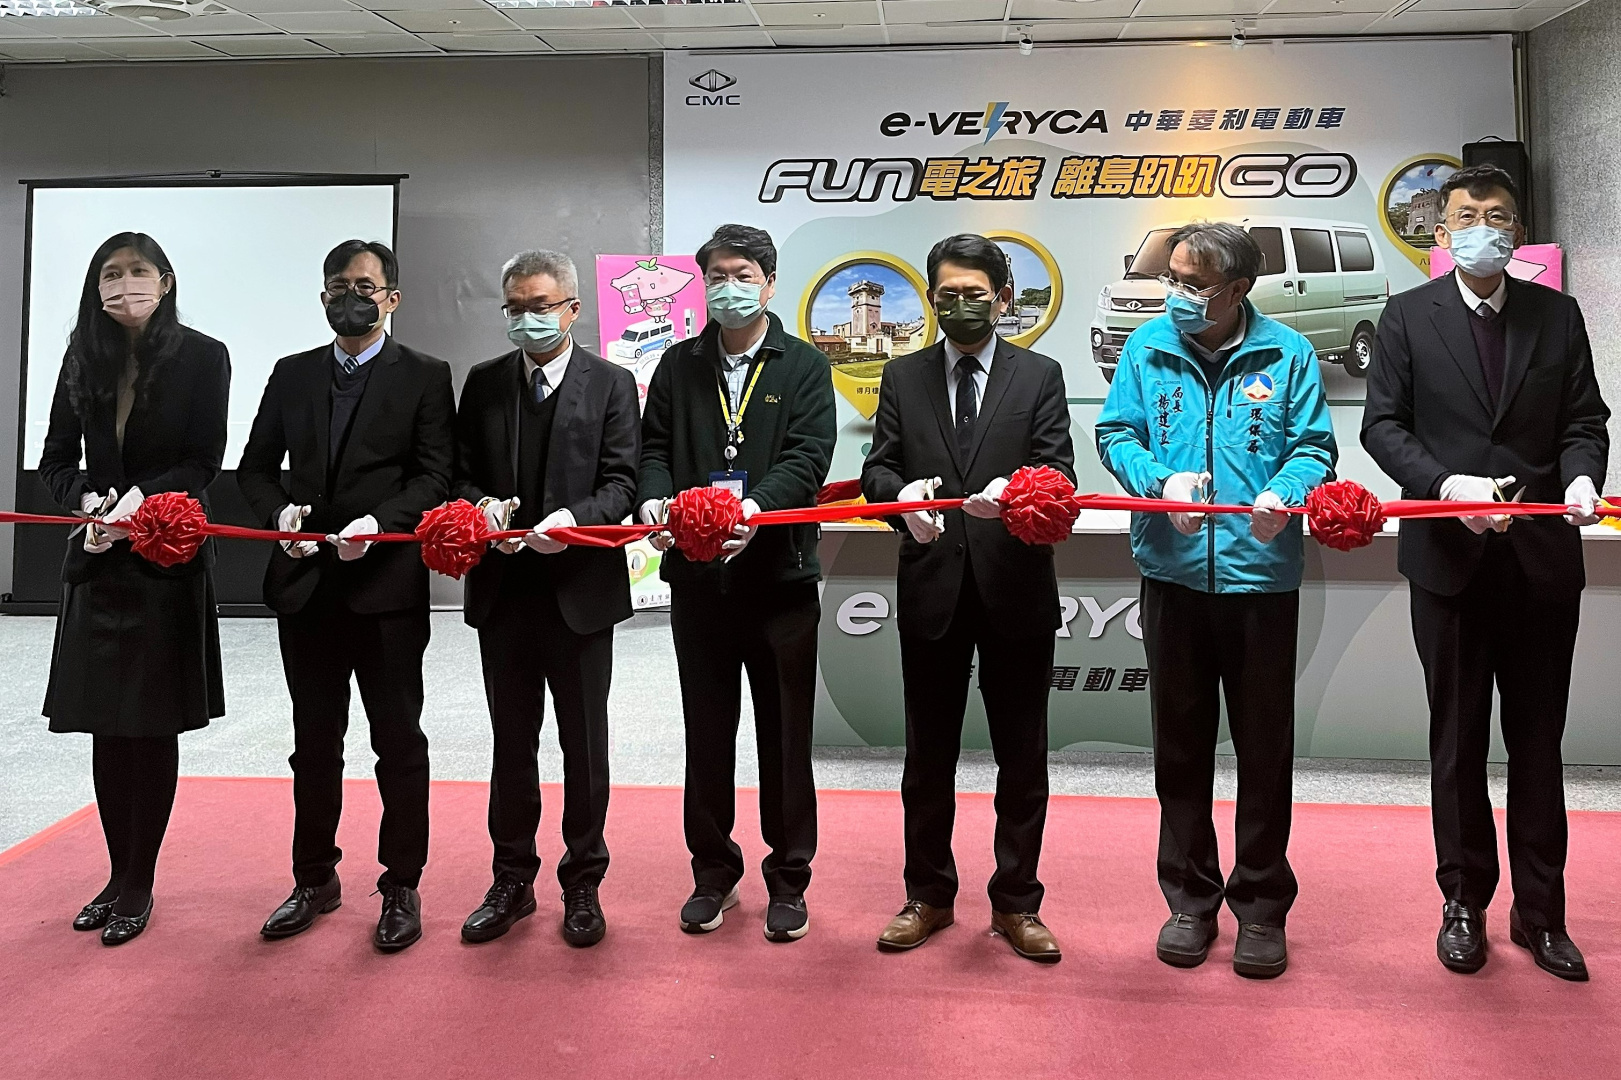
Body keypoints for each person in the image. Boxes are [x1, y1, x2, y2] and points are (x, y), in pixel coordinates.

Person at [1362, 164, 1609, 982]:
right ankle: (1462, 900)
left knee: (1537, 743)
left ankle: (1540, 912)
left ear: (1518, 232)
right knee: (1457, 741)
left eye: (1497, 216)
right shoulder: (1405, 317)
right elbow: (1382, 427)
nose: (1483, 228)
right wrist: (1444, 486)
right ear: (1440, 233)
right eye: (1466, 216)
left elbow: (1583, 420)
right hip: (1448, 562)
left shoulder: (1556, 315)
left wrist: (1582, 478)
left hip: (1540, 563)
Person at [1096, 222, 1337, 978]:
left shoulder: (1287, 353)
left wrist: (1284, 493)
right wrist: (1157, 483)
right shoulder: (1145, 348)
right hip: (1171, 575)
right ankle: (1189, 900)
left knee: (1263, 750)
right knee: (1180, 747)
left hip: (1259, 577)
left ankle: (1261, 906)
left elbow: (1314, 447)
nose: (1176, 294)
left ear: (1238, 290)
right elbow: (1115, 433)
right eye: (1171, 278)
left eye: (1193, 284)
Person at [861, 233, 1074, 963]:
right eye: (946, 294)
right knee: (927, 758)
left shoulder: (1039, 375)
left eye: (974, 294)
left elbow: (1058, 473)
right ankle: (927, 895)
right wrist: (902, 499)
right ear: (930, 299)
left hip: (1015, 587)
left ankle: (1017, 902)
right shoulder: (903, 375)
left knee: (1022, 757)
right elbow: (878, 470)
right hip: (932, 587)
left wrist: (1016, 493)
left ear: (1002, 298)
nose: (960, 305)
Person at [238, 239, 455, 953]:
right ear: (322, 295)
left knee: (397, 742)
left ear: (392, 298)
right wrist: (278, 515)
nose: (349, 297)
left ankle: (401, 884)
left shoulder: (425, 375)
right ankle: (313, 878)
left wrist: (381, 524)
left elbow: (434, 475)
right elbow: (255, 468)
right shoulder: (292, 372)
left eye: (364, 286)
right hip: (306, 585)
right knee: (313, 743)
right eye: (338, 285)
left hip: (385, 586)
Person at [637, 224, 835, 942]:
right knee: (708, 731)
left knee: (784, 736)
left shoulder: (804, 365)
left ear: (769, 283)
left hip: (779, 580)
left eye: (743, 274)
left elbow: (809, 457)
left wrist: (755, 509)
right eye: (717, 275)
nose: (729, 287)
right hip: (699, 584)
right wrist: (654, 500)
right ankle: (713, 872)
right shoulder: (678, 364)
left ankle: (789, 878)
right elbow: (653, 448)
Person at [39, 232, 230, 947]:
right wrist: (87, 502)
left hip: (164, 556)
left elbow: (203, 460)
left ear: (166, 280)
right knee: (105, 725)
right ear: (96, 288)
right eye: (110, 275)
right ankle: (116, 872)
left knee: (150, 726)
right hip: (99, 560)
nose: (124, 285)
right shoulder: (82, 354)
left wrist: (141, 499)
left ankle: (140, 880)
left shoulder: (204, 355)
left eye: (138, 272)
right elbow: (57, 459)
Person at [452, 250, 639, 948]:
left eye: (540, 306)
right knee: (510, 744)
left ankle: (583, 881)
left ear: (572, 309)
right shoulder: (484, 382)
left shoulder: (612, 383)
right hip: (504, 593)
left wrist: (573, 522)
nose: (526, 319)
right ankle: (511, 878)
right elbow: (459, 474)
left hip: (579, 592)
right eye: (514, 308)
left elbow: (622, 483)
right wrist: (480, 509)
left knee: (583, 746)